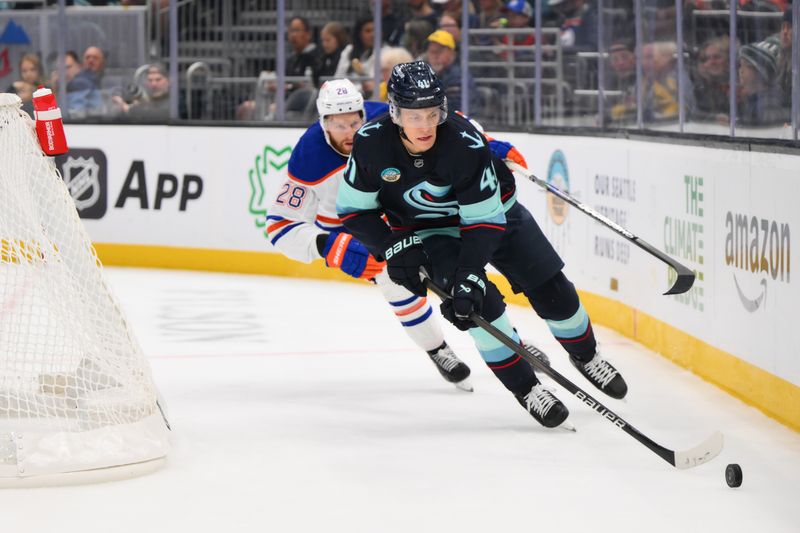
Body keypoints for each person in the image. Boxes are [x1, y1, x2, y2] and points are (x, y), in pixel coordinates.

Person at [337, 61, 629, 429]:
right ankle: (527, 389)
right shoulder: (370, 144)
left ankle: (586, 355)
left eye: (432, 113)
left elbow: (485, 221)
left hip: (496, 216)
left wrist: (470, 272)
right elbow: (353, 211)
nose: (425, 125)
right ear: (395, 112)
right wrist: (393, 245)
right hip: (431, 231)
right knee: (478, 308)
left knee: (552, 289)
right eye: (414, 116)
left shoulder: (463, 141)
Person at [265, 78, 472, 392]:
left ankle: (511, 339)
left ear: (364, 113)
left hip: (406, 212)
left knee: (464, 273)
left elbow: (452, 125)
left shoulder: (387, 119)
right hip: (357, 231)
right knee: (397, 282)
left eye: (354, 121)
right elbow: (280, 226)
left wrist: (490, 144)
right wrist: (325, 244)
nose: (350, 132)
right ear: (323, 123)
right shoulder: (310, 157)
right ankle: (437, 348)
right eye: (339, 125)